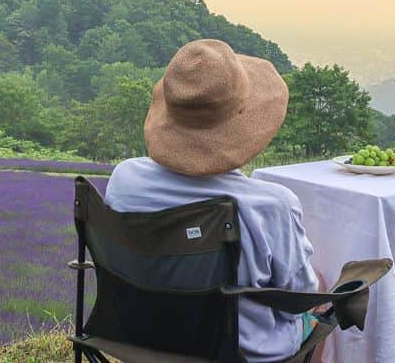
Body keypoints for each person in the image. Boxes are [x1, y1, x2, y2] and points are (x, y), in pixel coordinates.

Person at [105, 39, 319, 363]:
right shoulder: (271, 206)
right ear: (244, 125)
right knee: (321, 302)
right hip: (240, 352)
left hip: (140, 338)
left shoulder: (124, 180)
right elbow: (301, 297)